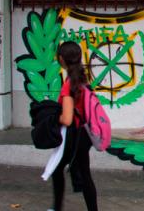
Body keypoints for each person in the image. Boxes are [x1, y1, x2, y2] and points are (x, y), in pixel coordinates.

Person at [50, 41, 98, 211]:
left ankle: (56, 208)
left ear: (61, 59)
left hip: (73, 136)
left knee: (57, 170)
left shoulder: (69, 84)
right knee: (85, 174)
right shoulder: (82, 79)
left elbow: (68, 119)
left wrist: (55, 117)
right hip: (84, 135)